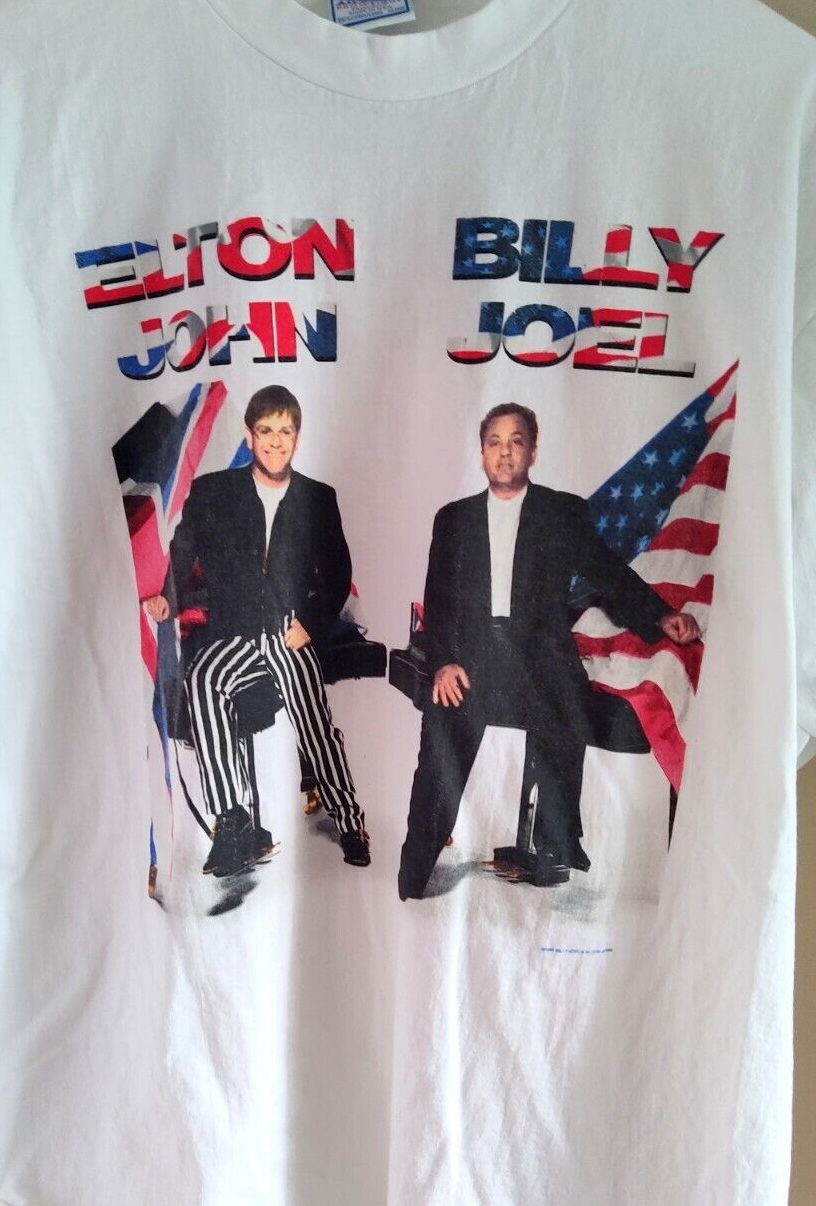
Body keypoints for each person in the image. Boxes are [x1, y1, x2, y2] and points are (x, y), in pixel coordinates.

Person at [398, 403, 701, 899]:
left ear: (533, 452)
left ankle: (554, 847)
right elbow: (439, 600)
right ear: (481, 453)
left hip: (539, 652)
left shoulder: (561, 512)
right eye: (494, 442)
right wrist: (444, 663)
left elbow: (606, 572)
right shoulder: (452, 520)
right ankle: (414, 872)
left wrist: (660, 615)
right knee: (442, 741)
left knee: (563, 697)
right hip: (471, 657)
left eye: (516, 442)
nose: (504, 453)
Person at [150, 384, 370, 879]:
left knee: (314, 724)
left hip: (287, 632)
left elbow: (338, 572)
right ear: (249, 436)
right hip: (233, 632)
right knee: (203, 680)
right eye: (266, 431)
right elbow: (183, 550)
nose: (275, 441)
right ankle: (233, 821)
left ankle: (350, 820)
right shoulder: (213, 490)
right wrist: (168, 595)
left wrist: (310, 624)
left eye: (284, 432)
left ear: (297, 438)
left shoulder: (319, 498)